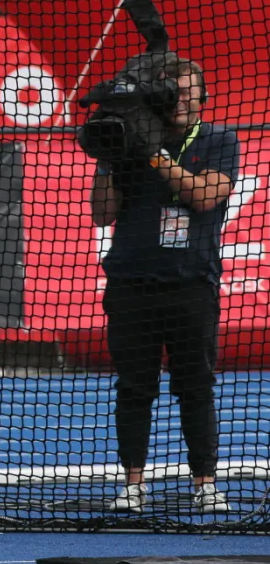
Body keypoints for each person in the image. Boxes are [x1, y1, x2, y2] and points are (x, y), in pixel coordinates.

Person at [88, 53, 238, 514]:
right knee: (135, 387)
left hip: (190, 282)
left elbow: (203, 195)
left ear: (202, 99)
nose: (178, 101)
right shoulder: (127, 141)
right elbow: (102, 213)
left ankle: (205, 484)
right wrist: (116, 153)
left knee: (195, 386)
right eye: (170, 92)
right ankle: (132, 485)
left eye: (188, 93)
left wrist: (154, 152)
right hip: (131, 280)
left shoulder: (218, 140)